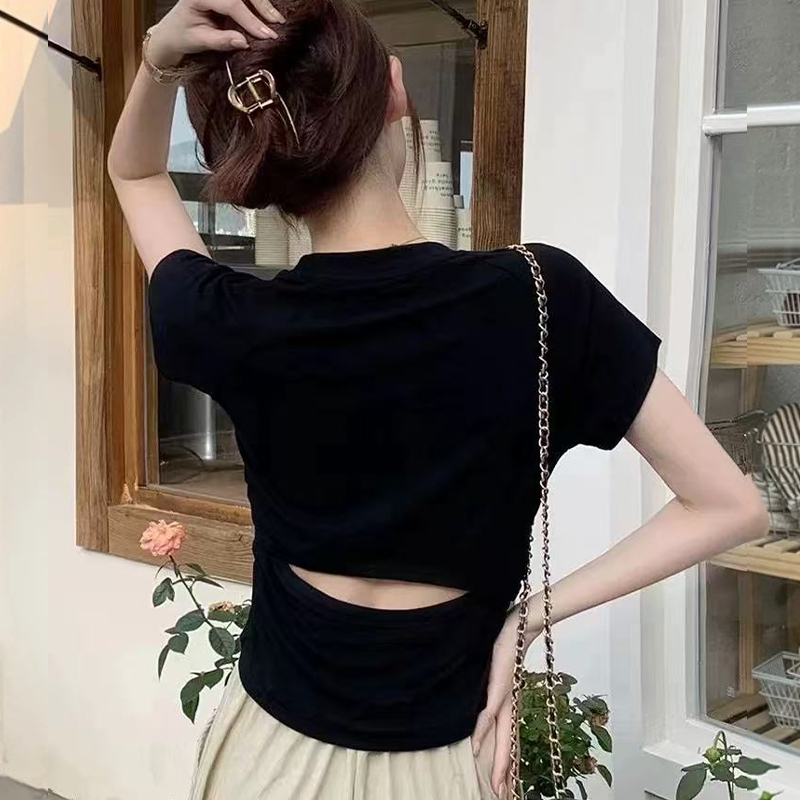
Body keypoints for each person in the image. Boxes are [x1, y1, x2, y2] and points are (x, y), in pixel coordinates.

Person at [107, 1, 769, 798]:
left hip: (264, 756)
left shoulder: (228, 319)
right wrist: (530, 617)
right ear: (395, 90)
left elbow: (134, 174)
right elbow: (730, 506)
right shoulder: (542, 297)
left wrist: (158, 58)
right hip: (449, 766)